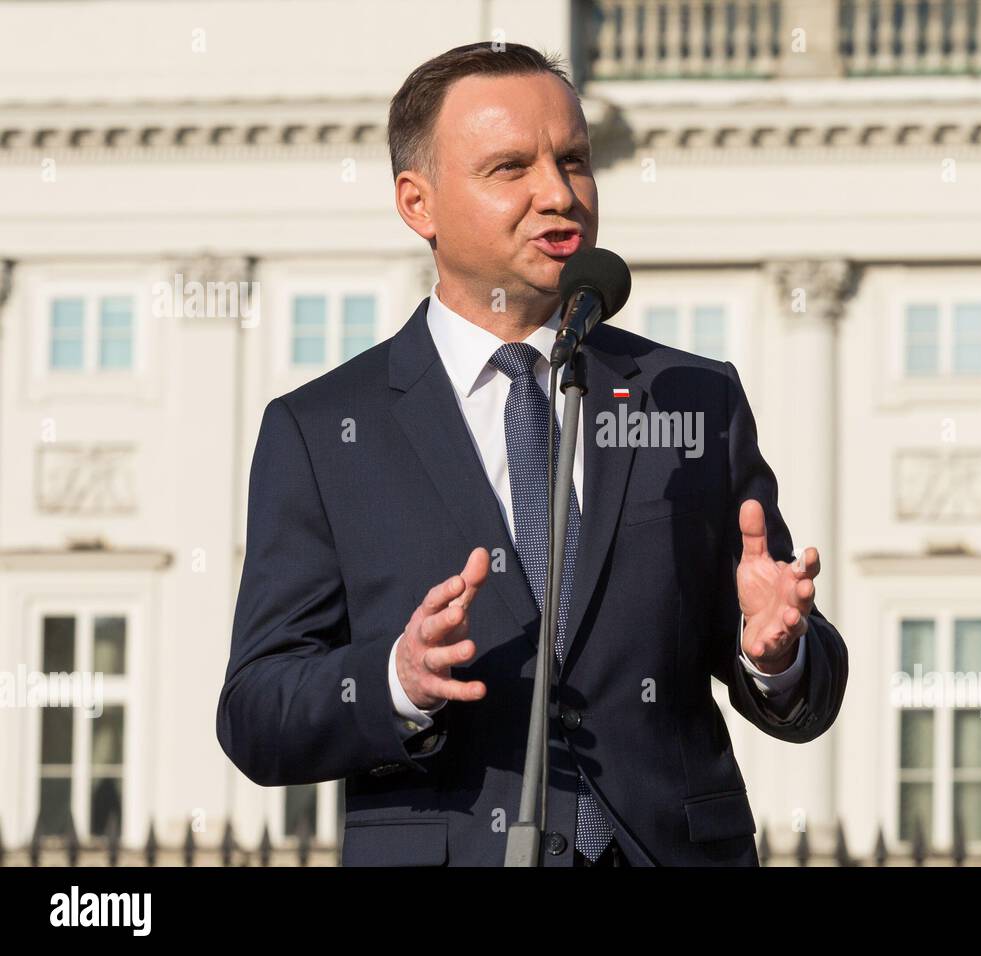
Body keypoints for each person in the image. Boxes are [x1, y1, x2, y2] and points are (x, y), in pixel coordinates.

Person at [216, 41, 848, 867]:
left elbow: (805, 681)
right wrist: (395, 680)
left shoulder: (691, 397)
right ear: (419, 203)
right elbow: (257, 714)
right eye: (510, 167)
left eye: (574, 160)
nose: (559, 194)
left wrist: (777, 652)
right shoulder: (324, 429)